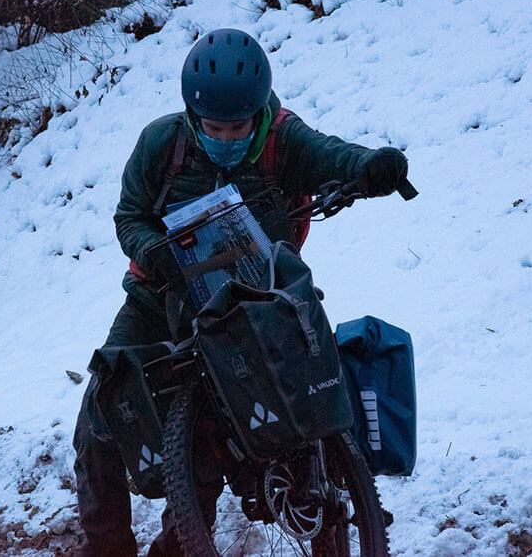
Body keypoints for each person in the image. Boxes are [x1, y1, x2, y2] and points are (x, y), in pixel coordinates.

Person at [72, 28, 409, 556]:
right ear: (192, 116)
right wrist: (156, 252)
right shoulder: (162, 144)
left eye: (238, 126)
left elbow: (331, 155)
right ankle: (106, 548)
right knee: (99, 418)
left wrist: (371, 167)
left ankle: (179, 547)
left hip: (252, 304)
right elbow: (129, 216)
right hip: (158, 299)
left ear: (258, 114)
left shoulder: (282, 139)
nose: (226, 137)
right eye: (214, 127)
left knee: (208, 443)